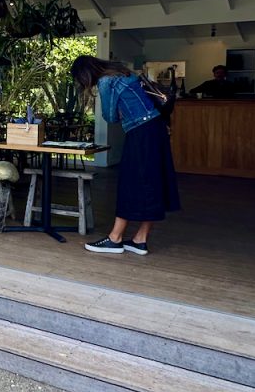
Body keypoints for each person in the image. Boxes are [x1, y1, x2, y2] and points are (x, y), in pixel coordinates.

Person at [71, 56, 180, 255]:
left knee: (130, 183)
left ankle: (115, 238)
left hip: (141, 132)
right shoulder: (126, 73)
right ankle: (140, 239)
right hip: (157, 128)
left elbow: (110, 116)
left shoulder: (106, 81)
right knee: (154, 182)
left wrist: (120, 112)